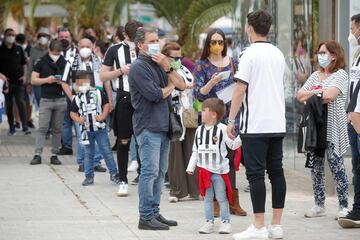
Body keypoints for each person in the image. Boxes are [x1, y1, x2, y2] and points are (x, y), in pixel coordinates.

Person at [227, 10, 287, 240]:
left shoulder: (248, 54)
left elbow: (240, 89)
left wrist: (231, 120)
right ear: (268, 29)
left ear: (249, 28)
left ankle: (259, 226)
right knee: (276, 173)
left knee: (255, 175)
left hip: (256, 125)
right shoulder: (278, 53)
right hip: (277, 123)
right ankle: (276, 225)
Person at [128, 27, 186, 230]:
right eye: (152, 41)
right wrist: (170, 87)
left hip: (163, 125)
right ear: (140, 45)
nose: (156, 44)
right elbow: (155, 94)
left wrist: (168, 69)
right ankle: (145, 216)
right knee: (149, 172)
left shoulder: (160, 63)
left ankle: (154, 211)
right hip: (148, 126)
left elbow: (183, 85)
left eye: (157, 40)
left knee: (161, 172)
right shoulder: (138, 67)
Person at [193, 28, 246, 217]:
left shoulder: (233, 63)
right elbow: (198, 94)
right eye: (213, 42)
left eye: (220, 42)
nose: (217, 45)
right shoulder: (201, 65)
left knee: (231, 159)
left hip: (232, 116)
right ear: (208, 44)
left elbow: (243, 86)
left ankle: (232, 200)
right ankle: (215, 200)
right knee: (214, 159)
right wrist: (211, 83)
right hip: (212, 118)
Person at [297, 40, 349, 220]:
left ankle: (343, 206)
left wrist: (315, 93)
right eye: (319, 53)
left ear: (334, 56)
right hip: (315, 129)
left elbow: (329, 96)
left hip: (333, 127)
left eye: (324, 52)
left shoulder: (341, 75)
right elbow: (300, 95)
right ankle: (319, 204)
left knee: (337, 166)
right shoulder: (315, 75)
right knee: (316, 167)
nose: (321, 56)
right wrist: (318, 91)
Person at [100, 20, 143, 197]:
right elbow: (102, 75)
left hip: (144, 99)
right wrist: (120, 71)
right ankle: (123, 180)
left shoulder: (147, 47)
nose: (138, 38)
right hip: (125, 98)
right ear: (126, 35)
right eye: (135, 35)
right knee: (124, 140)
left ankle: (144, 177)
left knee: (144, 140)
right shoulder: (114, 50)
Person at [186, 98, 241, 234]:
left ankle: (225, 222)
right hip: (204, 172)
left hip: (219, 171)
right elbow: (195, 150)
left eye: (204, 110)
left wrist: (242, 136)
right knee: (207, 198)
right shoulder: (199, 130)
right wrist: (191, 166)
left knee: (222, 197)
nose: (201, 112)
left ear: (214, 114)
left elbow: (232, 145)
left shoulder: (222, 129)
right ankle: (209, 222)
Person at [62, 38, 110, 173]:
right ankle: (83, 162)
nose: (85, 48)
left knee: (99, 132)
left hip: (98, 102)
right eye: (82, 46)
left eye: (87, 46)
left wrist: (109, 101)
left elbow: (105, 81)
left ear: (93, 46)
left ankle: (95, 162)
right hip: (81, 104)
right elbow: (64, 82)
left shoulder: (99, 62)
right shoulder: (71, 62)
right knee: (83, 134)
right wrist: (73, 99)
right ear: (77, 47)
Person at [161, 42, 199, 203]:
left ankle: (194, 189)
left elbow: (190, 85)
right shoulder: (163, 71)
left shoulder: (184, 69)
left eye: (179, 57)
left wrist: (191, 86)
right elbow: (169, 88)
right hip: (174, 114)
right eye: (174, 57)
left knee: (191, 150)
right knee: (175, 153)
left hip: (189, 113)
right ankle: (177, 190)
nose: (177, 60)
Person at [70, 71, 121, 186]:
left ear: (89, 81)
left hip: (100, 129)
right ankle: (89, 176)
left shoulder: (98, 92)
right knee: (88, 153)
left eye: (84, 81)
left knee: (106, 151)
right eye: (79, 82)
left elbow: (106, 105)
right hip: (86, 130)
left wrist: (103, 115)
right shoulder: (77, 97)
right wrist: (78, 120)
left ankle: (114, 174)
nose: (81, 84)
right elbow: (72, 113)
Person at [29, 39, 72, 165]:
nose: (56, 56)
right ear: (49, 50)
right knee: (42, 128)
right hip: (46, 100)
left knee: (57, 129)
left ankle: (55, 154)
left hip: (60, 99)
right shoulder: (42, 61)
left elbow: (68, 81)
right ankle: (37, 154)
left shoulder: (64, 62)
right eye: (54, 53)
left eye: (58, 54)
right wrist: (47, 80)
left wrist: (62, 82)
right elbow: (33, 80)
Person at [338, 13, 360, 228]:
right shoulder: (357, 54)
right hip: (353, 116)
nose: (351, 33)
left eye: (353, 28)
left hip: (358, 117)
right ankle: (358, 208)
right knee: (356, 166)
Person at [0, 28, 30, 135]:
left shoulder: (19, 48)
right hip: (6, 83)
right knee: (9, 105)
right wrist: (2, 77)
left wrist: (25, 76)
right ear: (5, 35)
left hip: (18, 81)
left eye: (13, 34)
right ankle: (11, 127)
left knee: (21, 103)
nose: (11, 36)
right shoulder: (0, 49)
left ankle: (25, 127)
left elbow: (24, 64)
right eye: (9, 34)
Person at [58, 27, 77, 155]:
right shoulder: (54, 53)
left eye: (66, 37)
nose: (64, 39)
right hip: (58, 92)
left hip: (74, 91)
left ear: (71, 39)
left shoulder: (78, 53)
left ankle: (83, 146)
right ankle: (66, 147)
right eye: (61, 37)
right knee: (64, 121)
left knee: (76, 120)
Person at [28, 27, 51, 110]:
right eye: (40, 36)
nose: (42, 38)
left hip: (50, 83)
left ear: (49, 37)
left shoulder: (52, 49)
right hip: (37, 83)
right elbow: (30, 66)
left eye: (44, 36)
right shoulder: (33, 50)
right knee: (41, 107)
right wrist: (29, 83)